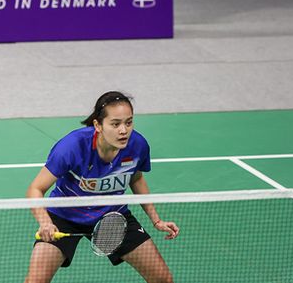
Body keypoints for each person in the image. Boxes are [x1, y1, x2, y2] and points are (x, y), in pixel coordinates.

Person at [25, 91, 179, 283]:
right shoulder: (72, 147)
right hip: (64, 216)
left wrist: (156, 220)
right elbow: (35, 189)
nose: (123, 131)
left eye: (128, 122)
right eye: (115, 124)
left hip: (113, 217)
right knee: (35, 281)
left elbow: (136, 178)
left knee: (163, 279)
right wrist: (45, 222)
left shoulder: (137, 145)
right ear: (98, 125)